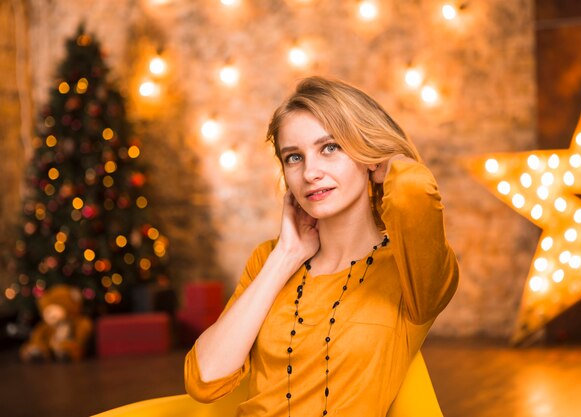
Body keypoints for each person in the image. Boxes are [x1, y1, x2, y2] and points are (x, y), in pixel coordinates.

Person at [184, 76, 459, 417]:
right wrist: (286, 256)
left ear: (369, 155)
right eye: (294, 157)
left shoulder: (411, 273)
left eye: (330, 148)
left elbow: (414, 190)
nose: (310, 172)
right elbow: (205, 379)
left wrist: (386, 161)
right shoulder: (269, 259)